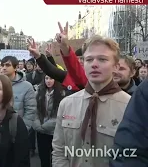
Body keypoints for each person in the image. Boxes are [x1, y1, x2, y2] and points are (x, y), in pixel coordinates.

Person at [52, 35, 131, 167]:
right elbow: (59, 150)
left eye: (102, 59)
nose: (94, 64)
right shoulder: (66, 104)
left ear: (116, 66)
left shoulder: (130, 107)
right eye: (89, 59)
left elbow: (133, 156)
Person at [0, 56, 36, 130]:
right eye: (2, 65)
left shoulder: (27, 86)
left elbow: (30, 110)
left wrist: (23, 129)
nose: (4, 68)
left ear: (16, 67)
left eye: (7, 65)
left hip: (17, 128)